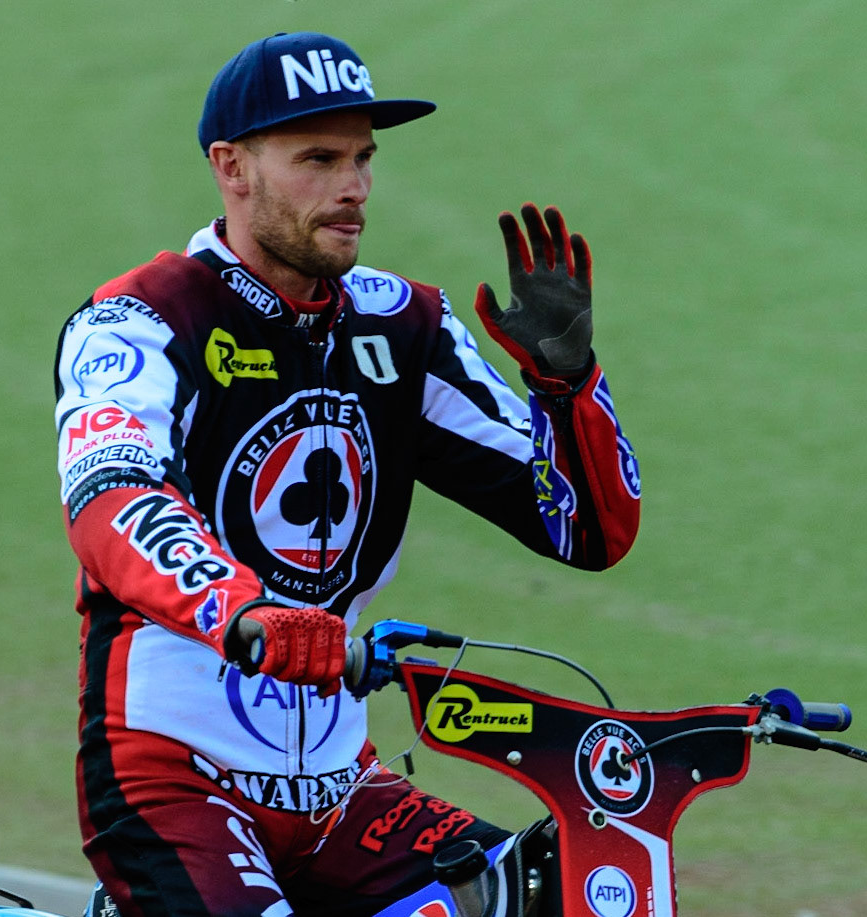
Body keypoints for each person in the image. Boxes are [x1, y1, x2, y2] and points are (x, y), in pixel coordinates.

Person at [54, 30, 642, 917]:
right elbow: (112, 498)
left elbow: (586, 530)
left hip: (340, 789)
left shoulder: (406, 326)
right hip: (173, 775)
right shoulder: (141, 318)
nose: (354, 187)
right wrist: (245, 611)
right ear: (232, 167)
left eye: (363, 157)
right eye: (319, 158)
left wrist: (566, 387)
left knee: (561, 894)